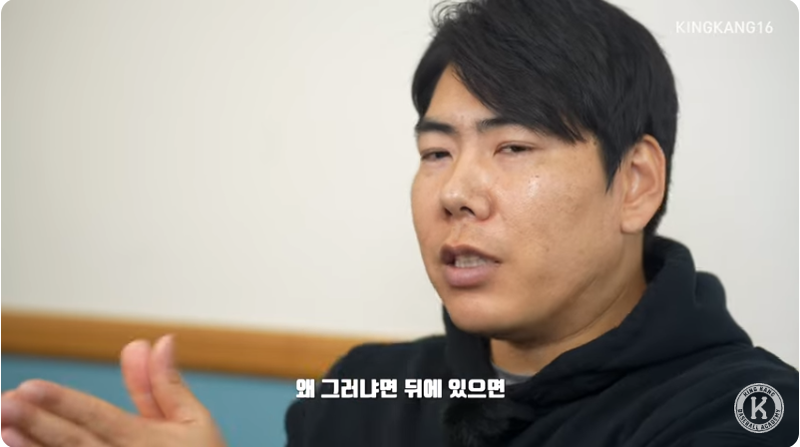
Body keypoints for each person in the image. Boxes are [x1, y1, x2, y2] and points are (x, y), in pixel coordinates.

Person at [1, 0, 797, 446]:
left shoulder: (741, 410)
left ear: (635, 183)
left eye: (513, 147)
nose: (457, 192)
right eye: (435, 152)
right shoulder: (362, 391)